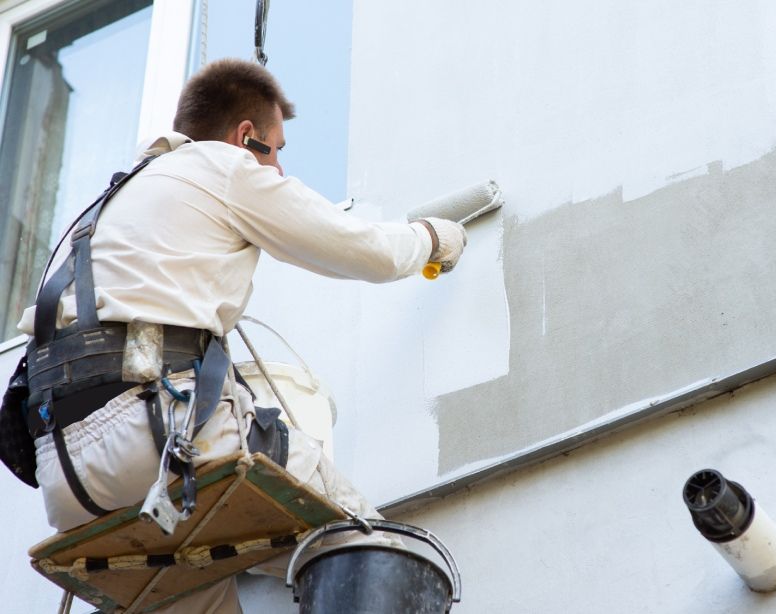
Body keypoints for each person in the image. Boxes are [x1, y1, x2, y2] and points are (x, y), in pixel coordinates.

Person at [16, 58, 467, 612]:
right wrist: (432, 238)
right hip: (159, 437)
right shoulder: (224, 168)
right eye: (275, 149)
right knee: (360, 548)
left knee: (190, 586)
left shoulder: (103, 210)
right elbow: (359, 247)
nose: (275, 171)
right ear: (245, 137)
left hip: (65, 480)